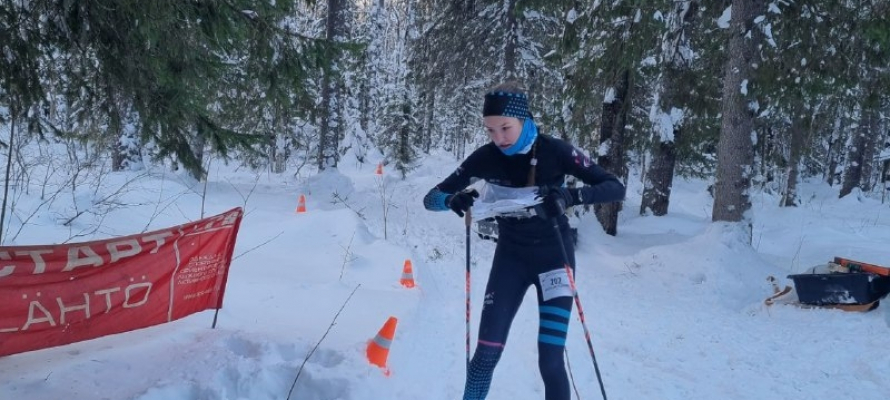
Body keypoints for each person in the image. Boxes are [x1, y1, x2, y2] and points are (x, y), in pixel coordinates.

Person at [422, 81, 625, 400]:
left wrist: (570, 195)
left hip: (555, 259)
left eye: (505, 128)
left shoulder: (555, 151)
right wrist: (451, 200)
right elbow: (431, 198)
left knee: (551, 360)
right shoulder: (486, 157)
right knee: (484, 358)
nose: (498, 138)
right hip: (511, 261)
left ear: (524, 119)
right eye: (490, 130)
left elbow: (614, 187)